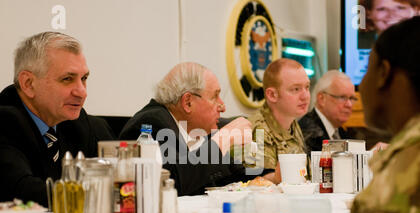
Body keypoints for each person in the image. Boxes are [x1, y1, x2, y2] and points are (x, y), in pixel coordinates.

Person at [292, 16, 420, 213]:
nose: (354, 102)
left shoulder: (405, 168)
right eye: (344, 97)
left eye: (366, 74)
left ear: (384, 73)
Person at [119, 62, 278, 196]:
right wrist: (224, 138)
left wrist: (274, 177)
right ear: (188, 102)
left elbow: (235, 178)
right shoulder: (151, 123)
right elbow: (172, 182)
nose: (222, 106)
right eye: (215, 97)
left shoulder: (203, 128)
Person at [0, 32, 115, 207]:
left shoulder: (81, 124)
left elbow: (120, 181)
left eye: (84, 78)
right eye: (67, 79)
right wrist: (98, 193)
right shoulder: (4, 122)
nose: (82, 91)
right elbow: (22, 192)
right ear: (28, 84)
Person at [244, 58, 309, 180]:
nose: (305, 96)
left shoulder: (291, 122)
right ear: (272, 95)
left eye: (307, 87)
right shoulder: (257, 130)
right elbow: (260, 183)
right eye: (296, 89)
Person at [298, 70, 356, 154]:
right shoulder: (308, 132)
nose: (349, 104)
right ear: (321, 99)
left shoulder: (341, 131)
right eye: (342, 97)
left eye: (351, 98)